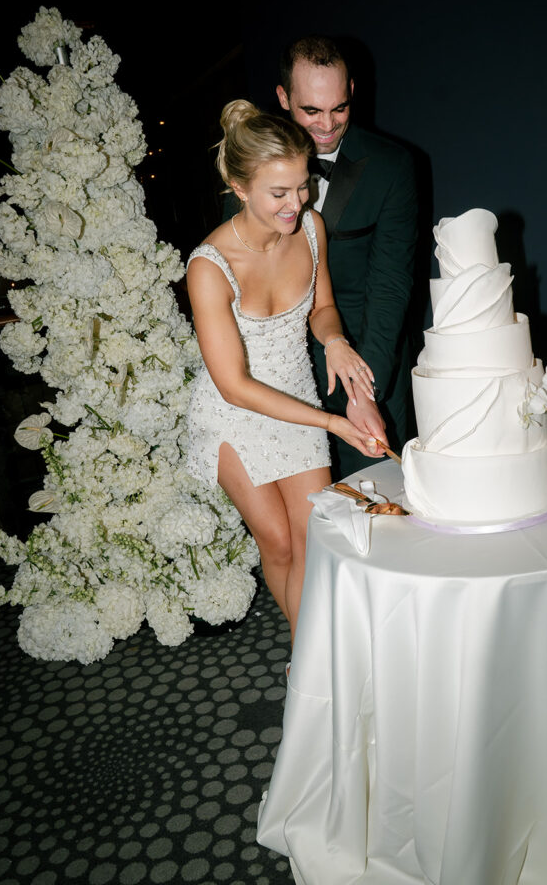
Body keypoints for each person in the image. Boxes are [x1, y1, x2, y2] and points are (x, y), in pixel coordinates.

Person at [186, 100, 382, 644]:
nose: (296, 203)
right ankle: (309, 659)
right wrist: (334, 424)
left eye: (302, 186)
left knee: (314, 540)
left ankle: (310, 661)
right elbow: (235, 384)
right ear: (238, 185)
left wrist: (336, 342)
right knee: (277, 543)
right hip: (232, 412)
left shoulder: (311, 227)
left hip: (295, 393)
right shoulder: (209, 266)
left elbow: (321, 309)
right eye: (280, 193)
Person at [275, 36, 419, 477]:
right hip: (279, 373)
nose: (327, 125)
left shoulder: (392, 167)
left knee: (382, 509)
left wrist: (362, 392)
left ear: (352, 90)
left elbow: (390, 286)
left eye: (338, 108)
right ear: (283, 98)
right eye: (311, 110)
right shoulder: (250, 166)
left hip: (366, 359)